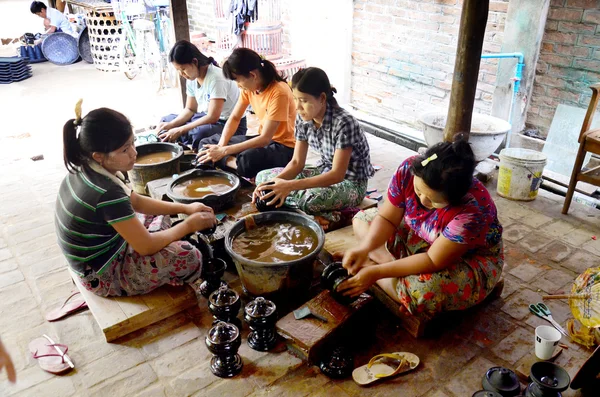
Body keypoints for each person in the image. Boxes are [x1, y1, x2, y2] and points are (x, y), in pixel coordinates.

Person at [56, 100, 217, 297]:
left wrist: (185, 208)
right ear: (99, 156)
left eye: (132, 142)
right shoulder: (106, 192)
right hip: (102, 274)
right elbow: (146, 246)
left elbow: (136, 201)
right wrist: (188, 225)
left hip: (103, 251)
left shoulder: (88, 166)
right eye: (125, 149)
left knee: (161, 216)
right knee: (188, 255)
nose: (134, 153)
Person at [338, 138, 504, 318]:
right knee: (363, 219)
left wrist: (375, 273)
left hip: (465, 258)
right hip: (420, 237)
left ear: (455, 198)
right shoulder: (408, 169)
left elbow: (432, 260)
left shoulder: (473, 210)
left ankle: (383, 276)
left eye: (434, 201)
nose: (423, 201)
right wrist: (365, 248)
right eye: (419, 191)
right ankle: (392, 276)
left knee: (423, 290)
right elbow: (387, 218)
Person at [253, 67, 374, 222]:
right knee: (263, 178)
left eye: (303, 100)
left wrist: (289, 186)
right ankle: (314, 212)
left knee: (309, 199)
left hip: (351, 183)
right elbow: (297, 162)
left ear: (322, 98)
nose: (297, 107)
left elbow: (337, 175)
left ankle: (326, 212)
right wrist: (274, 184)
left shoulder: (344, 123)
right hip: (323, 170)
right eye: (295, 99)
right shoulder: (303, 118)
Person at [197, 48, 296, 179]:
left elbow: (265, 138)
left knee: (247, 160)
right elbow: (235, 117)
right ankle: (230, 163)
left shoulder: (279, 92)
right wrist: (220, 146)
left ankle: (228, 163)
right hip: (263, 140)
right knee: (207, 143)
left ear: (253, 75)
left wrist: (223, 151)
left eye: (237, 80)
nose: (238, 85)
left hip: (283, 147)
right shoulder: (249, 89)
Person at [156, 40, 247, 150]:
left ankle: (183, 143)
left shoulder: (216, 78)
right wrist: (171, 125)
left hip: (229, 124)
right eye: (178, 70)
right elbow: (190, 109)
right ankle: (180, 141)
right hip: (205, 117)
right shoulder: (191, 78)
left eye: (183, 69)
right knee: (166, 120)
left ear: (195, 62)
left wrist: (180, 129)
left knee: (198, 134)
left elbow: (213, 117)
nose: (181, 74)